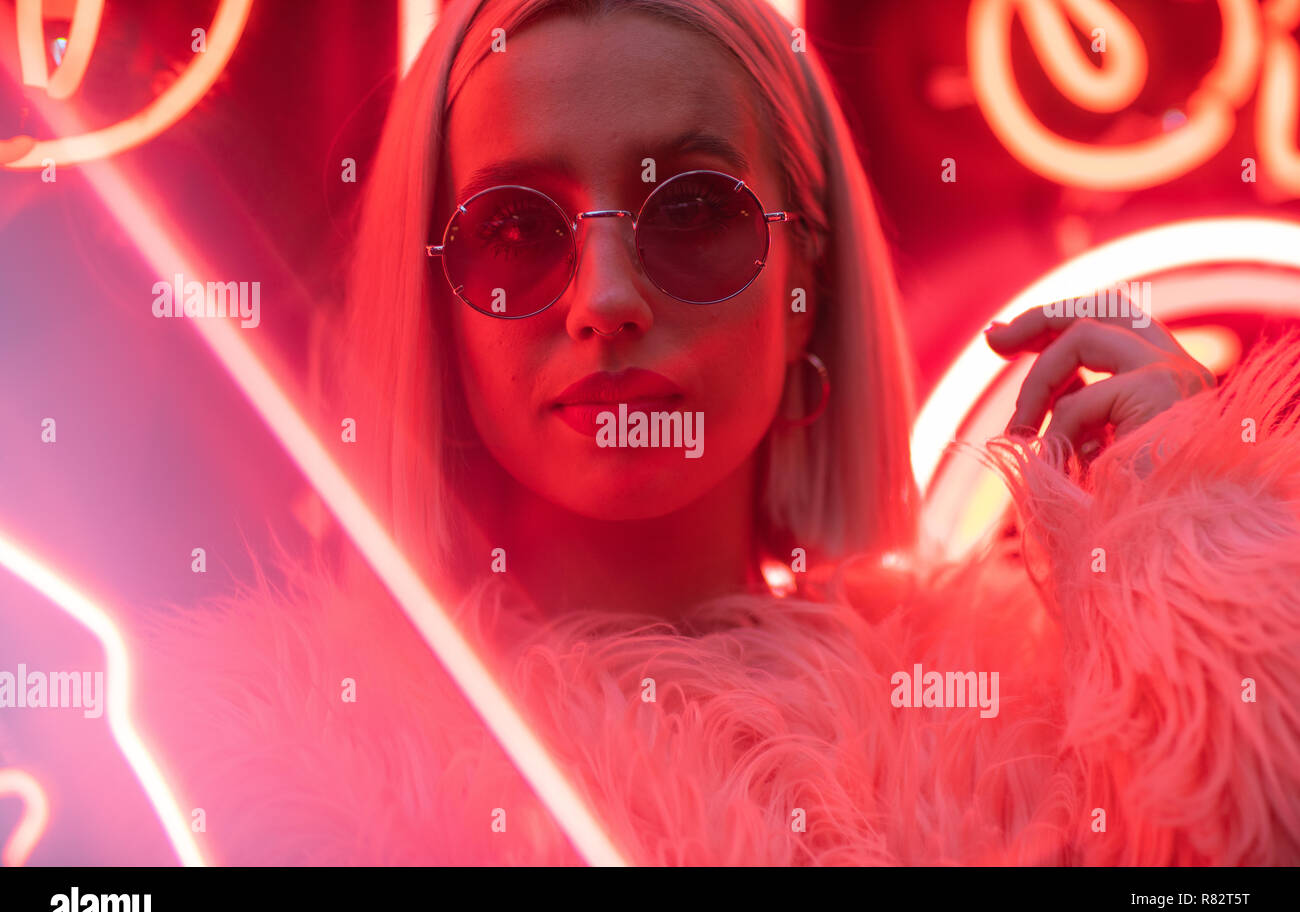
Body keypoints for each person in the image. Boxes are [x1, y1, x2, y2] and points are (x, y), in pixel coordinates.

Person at [137, 0, 1300, 865]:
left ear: (812, 278)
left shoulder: (1052, 735)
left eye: (693, 211)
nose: (604, 297)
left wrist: (1215, 570)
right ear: (433, 305)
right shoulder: (250, 778)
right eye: (513, 231)